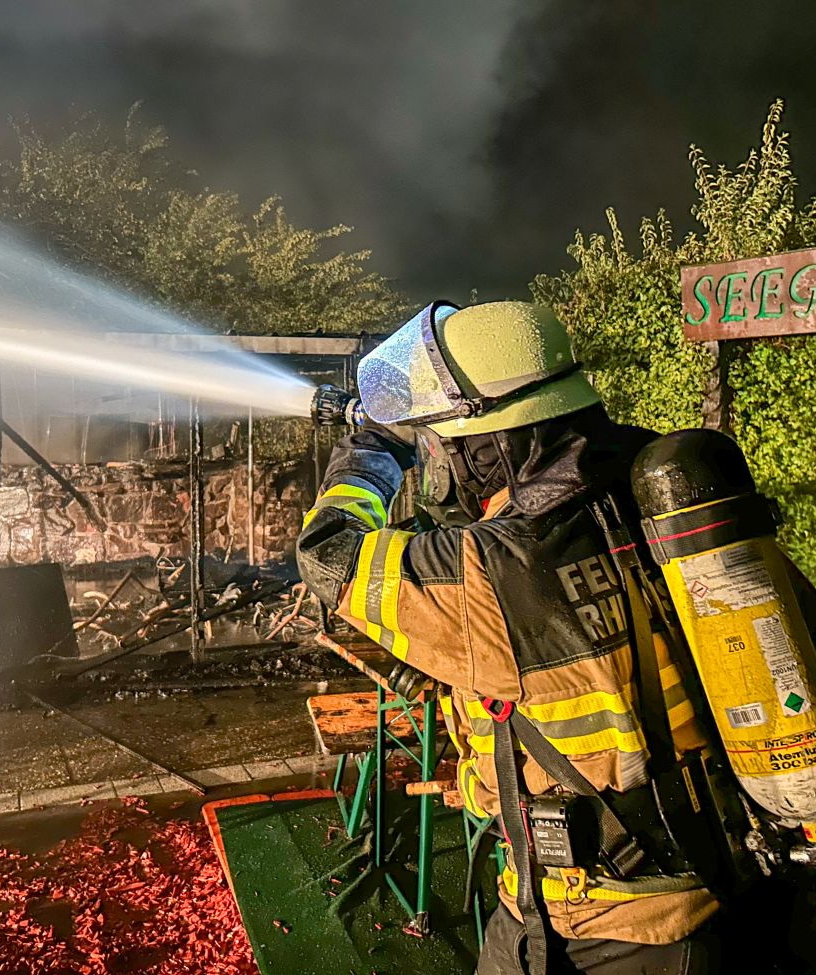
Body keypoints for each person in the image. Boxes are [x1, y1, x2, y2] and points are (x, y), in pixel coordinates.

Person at [297, 300, 739, 974]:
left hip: (616, 924)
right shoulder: (649, 490)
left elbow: (329, 556)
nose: (433, 455)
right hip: (694, 870)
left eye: (437, 439)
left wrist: (371, 450)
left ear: (485, 448)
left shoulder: (489, 568)